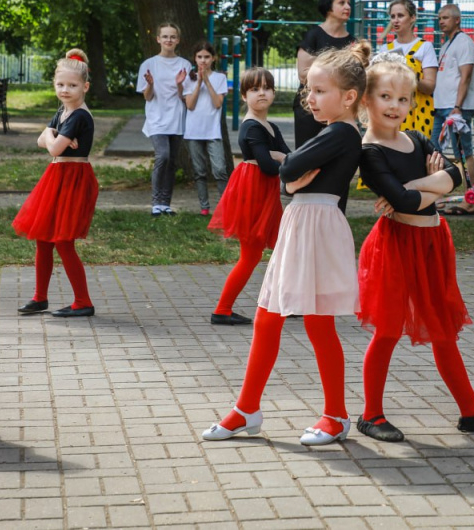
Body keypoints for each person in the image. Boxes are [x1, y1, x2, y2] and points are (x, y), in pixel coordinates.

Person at [202, 43, 369, 446]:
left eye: (318, 91)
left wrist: (292, 173)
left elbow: (289, 168)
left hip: (317, 225)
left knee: (317, 322)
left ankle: (334, 415)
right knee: (269, 317)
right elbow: (285, 175)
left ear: (348, 98)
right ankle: (247, 409)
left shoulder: (343, 133)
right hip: (302, 222)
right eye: (308, 91)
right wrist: (291, 175)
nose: (309, 99)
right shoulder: (332, 133)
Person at [355, 53, 474, 442]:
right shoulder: (370, 151)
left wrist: (411, 188)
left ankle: (471, 411)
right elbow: (410, 201)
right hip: (396, 245)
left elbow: (457, 177)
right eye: (385, 97)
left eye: (402, 99)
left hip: (432, 241)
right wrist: (425, 186)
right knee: (389, 330)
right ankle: (371, 414)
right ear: (366, 100)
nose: (395, 106)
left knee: (444, 329)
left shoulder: (415, 139)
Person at [13, 49, 100, 318]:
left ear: (84, 86)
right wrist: (53, 136)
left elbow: (51, 148)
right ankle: (40, 298)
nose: (65, 89)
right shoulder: (63, 112)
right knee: (43, 239)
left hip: (73, 178)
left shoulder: (79, 116)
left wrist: (51, 138)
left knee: (63, 241)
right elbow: (44, 141)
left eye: (72, 85)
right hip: (57, 177)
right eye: (60, 84)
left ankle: (83, 301)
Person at [207, 67, 290, 326]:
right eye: (254, 89)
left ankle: (288, 301)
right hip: (253, 193)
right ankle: (222, 310)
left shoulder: (271, 127)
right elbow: (267, 165)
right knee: (253, 255)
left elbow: (290, 157)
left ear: (274, 93)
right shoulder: (252, 127)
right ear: (244, 96)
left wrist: (283, 157)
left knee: (283, 248)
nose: (261, 93)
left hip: (265, 192)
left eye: (266, 88)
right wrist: (280, 158)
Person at [136, 23, 191, 216]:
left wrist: (179, 85)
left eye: (172, 37)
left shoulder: (185, 65)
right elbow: (147, 97)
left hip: (176, 119)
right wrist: (150, 85)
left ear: (178, 40)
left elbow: (186, 97)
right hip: (156, 119)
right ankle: (155, 203)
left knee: (172, 161)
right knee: (163, 156)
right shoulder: (149, 65)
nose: (169, 40)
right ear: (158, 39)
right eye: (165, 36)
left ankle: (165, 204)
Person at [431, 3, 474, 215]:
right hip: (441, 107)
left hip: (456, 109)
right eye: (440, 18)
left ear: (457, 20)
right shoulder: (445, 45)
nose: (441, 21)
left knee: (463, 152)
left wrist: (457, 107)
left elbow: (465, 76)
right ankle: (438, 197)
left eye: (446, 18)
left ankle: (470, 199)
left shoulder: (464, 42)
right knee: (434, 152)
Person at [294, 0, 355, 146]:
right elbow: (302, 74)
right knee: (306, 158)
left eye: (349, 3)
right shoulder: (313, 35)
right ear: (329, 7)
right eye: (342, 3)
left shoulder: (352, 42)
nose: (348, 7)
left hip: (337, 110)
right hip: (308, 107)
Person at [183, 41, 229, 216]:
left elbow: (217, 104)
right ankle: (204, 207)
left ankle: (225, 206)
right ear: (195, 59)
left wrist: (207, 82)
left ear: (213, 58)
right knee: (199, 171)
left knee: (219, 170)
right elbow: (190, 105)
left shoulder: (220, 78)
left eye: (207, 57)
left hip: (212, 131)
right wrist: (198, 82)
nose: (203, 60)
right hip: (193, 131)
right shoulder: (189, 78)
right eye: (200, 57)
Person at [383, 0, 438, 137]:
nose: (395, 20)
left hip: (418, 112)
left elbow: (430, 86)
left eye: (400, 16)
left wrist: (411, 76)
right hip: (391, 111)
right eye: (393, 16)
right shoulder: (385, 49)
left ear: (412, 18)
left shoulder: (425, 47)